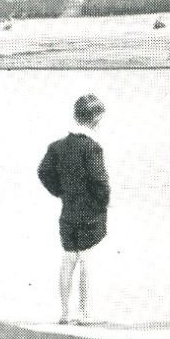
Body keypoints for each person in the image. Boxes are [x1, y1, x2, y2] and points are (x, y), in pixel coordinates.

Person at [38, 94, 111, 325]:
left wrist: (60, 192)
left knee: (68, 259)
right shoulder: (92, 148)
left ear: (75, 115)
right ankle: (85, 313)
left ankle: (65, 313)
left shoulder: (57, 146)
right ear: (97, 119)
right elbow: (100, 181)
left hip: (68, 210)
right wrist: (103, 202)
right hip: (89, 211)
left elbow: (43, 172)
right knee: (87, 260)